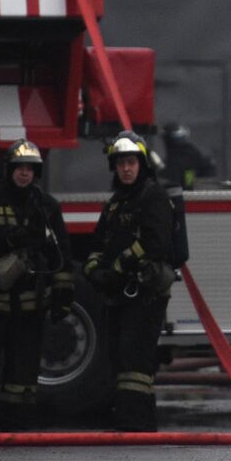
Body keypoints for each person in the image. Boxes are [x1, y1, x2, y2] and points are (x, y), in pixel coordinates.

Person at [0, 139, 72, 431]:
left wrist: (63, 293)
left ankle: (15, 432)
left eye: (29, 169)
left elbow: (62, 254)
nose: (24, 174)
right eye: (19, 168)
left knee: (22, 375)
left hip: (29, 305)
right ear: (7, 170)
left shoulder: (46, 207)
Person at [83, 130, 177, 431]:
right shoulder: (115, 203)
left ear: (142, 165)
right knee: (120, 358)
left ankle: (137, 424)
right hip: (120, 294)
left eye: (131, 162)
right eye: (121, 163)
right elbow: (99, 242)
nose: (126, 168)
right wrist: (95, 270)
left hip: (144, 293)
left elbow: (156, 242)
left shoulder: (153, 197)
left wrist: (119, 266)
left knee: (136, 360)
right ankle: (129, 420)